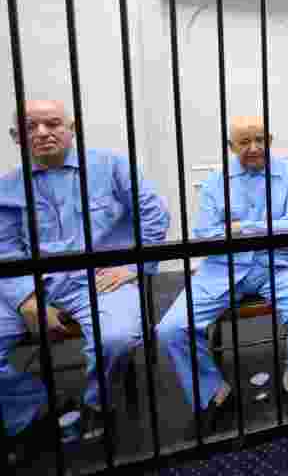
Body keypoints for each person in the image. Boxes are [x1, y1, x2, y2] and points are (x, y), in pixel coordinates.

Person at [0, 100, 170, 441]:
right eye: (31, 127)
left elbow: (155, 214)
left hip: (100, 279)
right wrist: (27, 300)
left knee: (117, 338)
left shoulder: (111, 166)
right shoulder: (7, 187)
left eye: (52, 123)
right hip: (31, 282)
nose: (43, 133)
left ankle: (96, 402)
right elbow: (4, 249)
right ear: (16, 137)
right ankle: (33, 407)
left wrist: (135, 265)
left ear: (72, 127)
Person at [157, 116, 288, 432]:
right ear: (231, 147)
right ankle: (214, 391)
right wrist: (267, 227)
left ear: (269, 139)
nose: (254, 148)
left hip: (281, 262)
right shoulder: (217, 180)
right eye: (244, 142)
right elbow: (205, 232)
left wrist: (240, 227)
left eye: (260, 140)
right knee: (171, 328)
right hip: (224, 267)